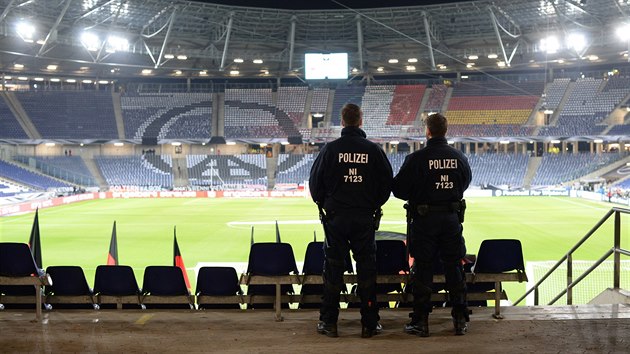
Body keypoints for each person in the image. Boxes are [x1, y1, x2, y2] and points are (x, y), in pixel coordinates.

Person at [309, 103, 393, 338]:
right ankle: (369, 323)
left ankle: (329, 322)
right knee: (367, 271)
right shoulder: (373, 151)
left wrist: (326, 204)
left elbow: (315, 185)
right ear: (361, 121)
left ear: (343, 122)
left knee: (333, 271)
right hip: (364, 218)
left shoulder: (330, 149)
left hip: (336, 218)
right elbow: (387, 184)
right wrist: (373, 205)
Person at [392, 112, 472, 337]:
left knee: (423, 269)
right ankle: (459, 319)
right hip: (450, 219)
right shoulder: (459, 157)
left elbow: (398, 189)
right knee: (454, 267)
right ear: (445, 131)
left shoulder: (417, 159)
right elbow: (465, 182)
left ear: (427, 131)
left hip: (425, 220)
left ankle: (421, 321)